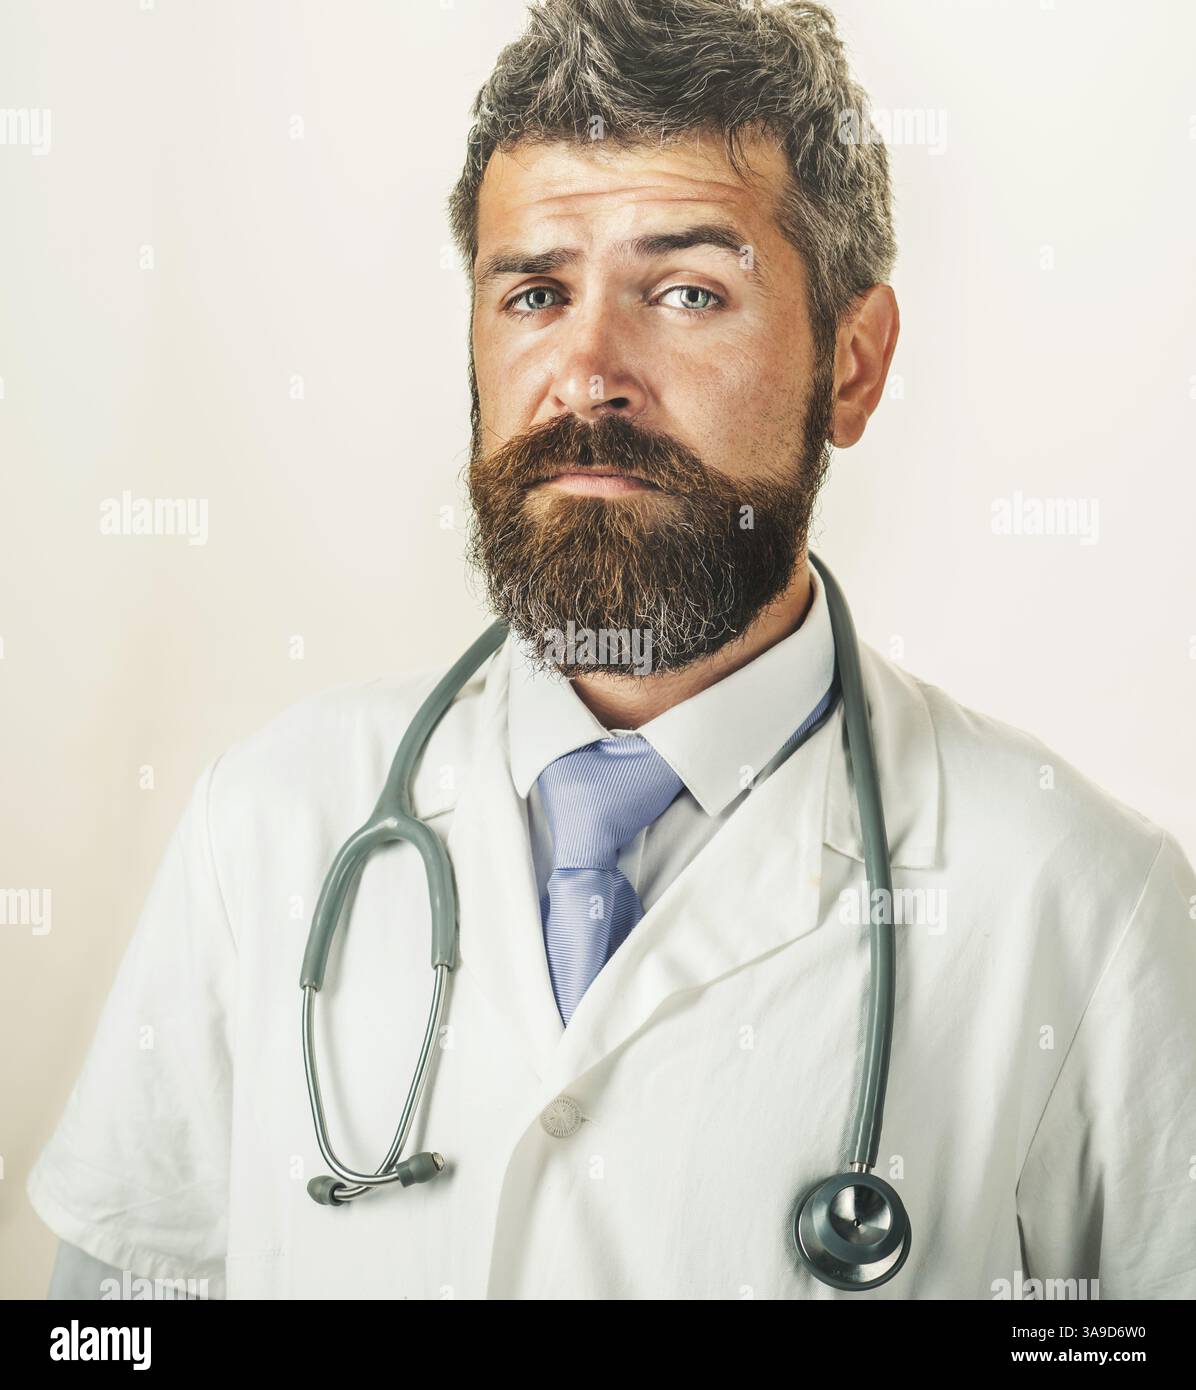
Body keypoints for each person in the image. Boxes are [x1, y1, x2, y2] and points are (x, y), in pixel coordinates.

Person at [31, 0, 1196, 1300]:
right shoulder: (270, 825)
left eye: (687, 291)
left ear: (855, 365)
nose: (586, 374)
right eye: (535, 291)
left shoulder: (1083, 908)